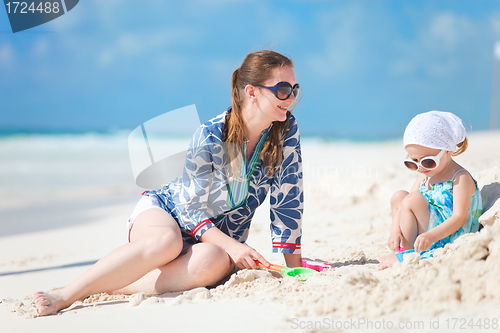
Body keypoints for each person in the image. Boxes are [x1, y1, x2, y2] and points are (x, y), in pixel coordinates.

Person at [34, 50, 304, 315]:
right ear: (252, 92)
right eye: (282, 89)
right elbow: (190, 210)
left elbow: (288, 201)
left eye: (294, 89)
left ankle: (117, 286)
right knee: (167, 242)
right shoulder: (210, 134)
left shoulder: (286, 130)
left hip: (213, 243)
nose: (290, 98)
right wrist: (234, 246)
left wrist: (295, 268)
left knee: (212, 261)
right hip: (166, 213)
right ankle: (65, 295)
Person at [378, 111, 483, 270]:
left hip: (447, 234)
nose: (420, 168)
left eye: (428, 161)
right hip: (426, 233)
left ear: (447, 150)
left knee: (412, 199)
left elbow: (459, 217)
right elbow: (405, 206)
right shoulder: (424, 177)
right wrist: (395, 230)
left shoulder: (460, 178)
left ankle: (406, 255)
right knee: (399, 196)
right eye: (412, 162)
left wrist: (431, 236)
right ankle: (404, 247)